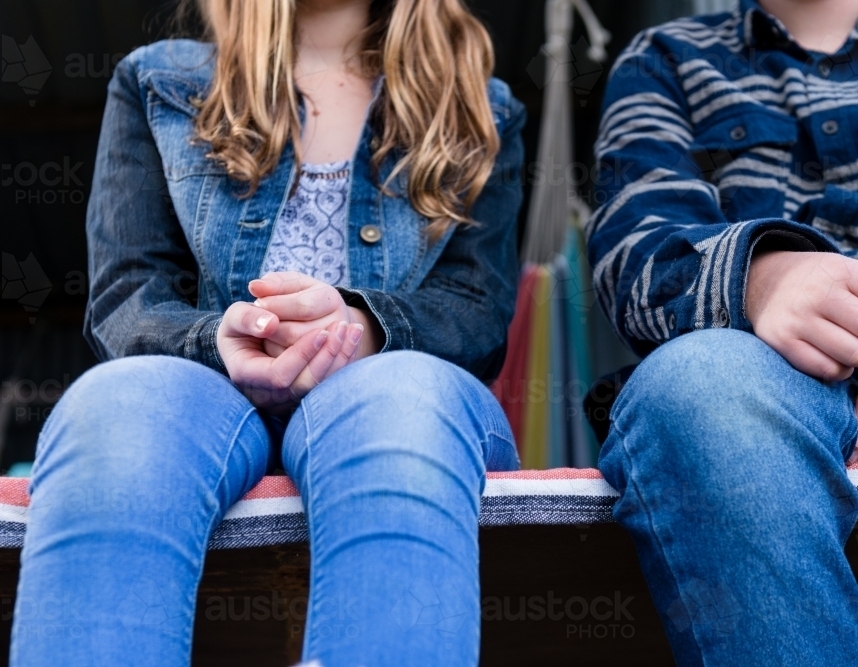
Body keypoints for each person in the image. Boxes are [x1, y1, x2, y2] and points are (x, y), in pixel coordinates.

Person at [10, 0, 525, 665]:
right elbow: (126, 301)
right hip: (203, 393)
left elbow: (477, 312)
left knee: (399, 397)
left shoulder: (481, 106)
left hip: (393, 390)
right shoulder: (156, 82)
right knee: (120, 401)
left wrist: (363, 327)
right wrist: (217, 338)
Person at [588, 0, 858, 664]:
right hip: (753, 367)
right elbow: (631, 250)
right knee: (697, 385)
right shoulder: (661, 61)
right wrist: (763, 277)